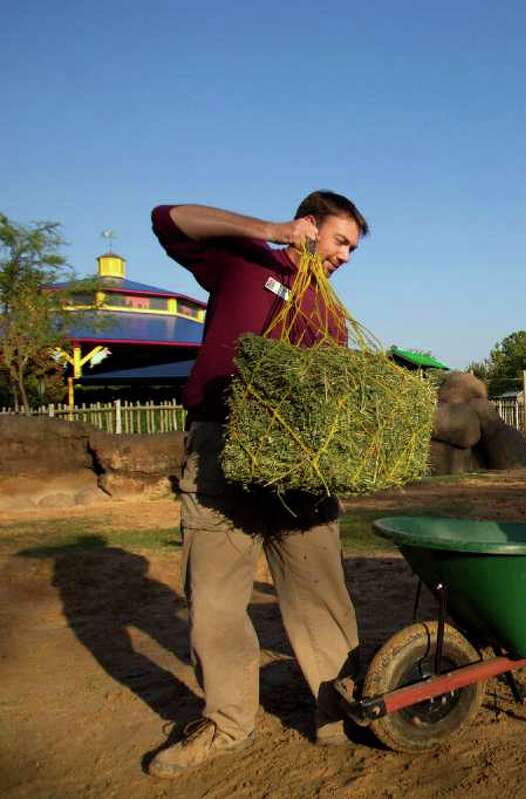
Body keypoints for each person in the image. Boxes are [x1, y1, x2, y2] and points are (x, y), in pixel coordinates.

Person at [146, 192, 367, 778]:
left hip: (300, 467)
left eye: (352, 248)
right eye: (341, 241)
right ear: (309, 225)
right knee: (214, 598)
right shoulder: (246, 260)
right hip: (221, 447)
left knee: (319, 592)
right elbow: (167, 219)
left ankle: (337, 711)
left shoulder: (332, 314)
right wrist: (271, 230)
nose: (346, 256)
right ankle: (226, 723)